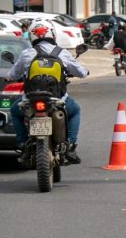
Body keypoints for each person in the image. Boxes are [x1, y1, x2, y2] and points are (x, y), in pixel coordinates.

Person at [6, 20, 89, 165]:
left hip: (30, 100)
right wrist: (85, 72)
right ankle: (70, 145)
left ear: (32, 36)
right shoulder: (62, 53)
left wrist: (7, 77)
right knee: (75, 110)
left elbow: (12, 75)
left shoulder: (27, 53)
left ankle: (22, 143)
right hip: (57, 99)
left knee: (14, 111)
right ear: (52, 34)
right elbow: (81, 72)